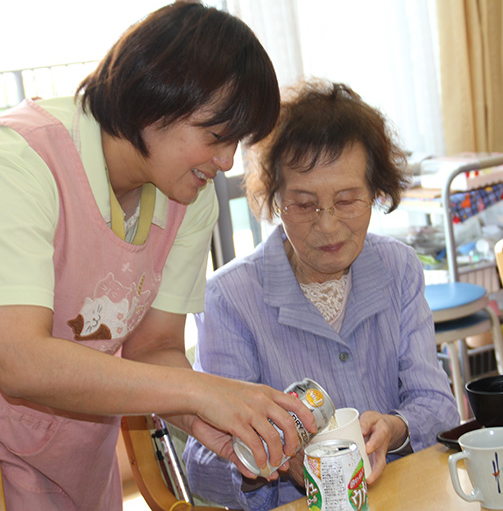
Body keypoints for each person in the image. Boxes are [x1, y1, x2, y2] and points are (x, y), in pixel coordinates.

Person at [0, 0, 318, 510]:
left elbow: (155, 349)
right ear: (153, 101)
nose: (227, 161)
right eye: (216, 137)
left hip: (71, 463)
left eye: (236, 143)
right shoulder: (8, 164)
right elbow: (19, 360)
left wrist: (215, 423)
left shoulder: (188, 197)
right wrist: (203, 392)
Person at [183, 79, 460, 510]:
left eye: (348, 200)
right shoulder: (230, 298)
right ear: (274, 200)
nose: (328, 226)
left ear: (376, 194)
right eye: (305, 204)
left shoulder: (398, 268)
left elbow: (438, 407)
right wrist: (275, 461)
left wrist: (396, 427)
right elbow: (201, 464)